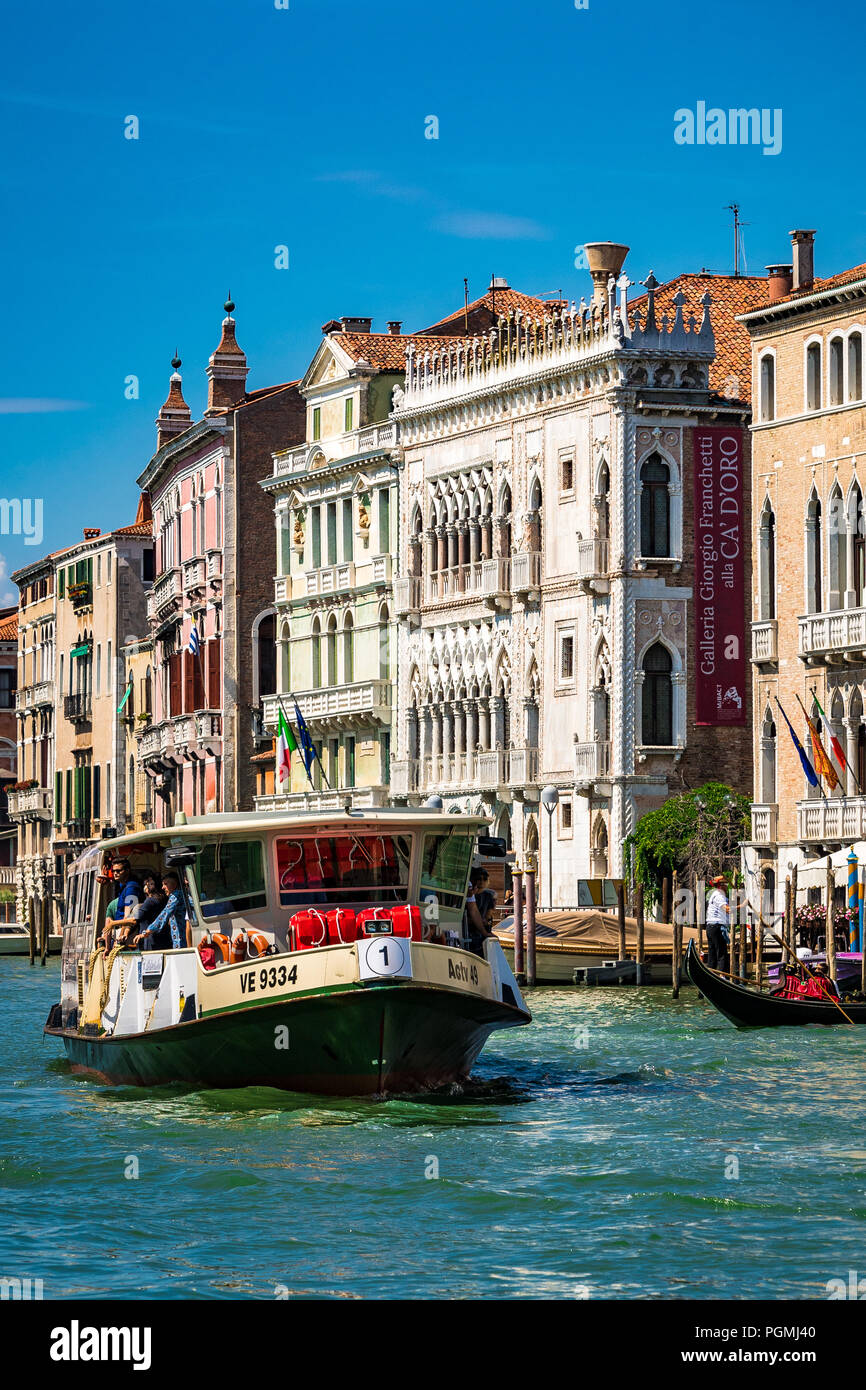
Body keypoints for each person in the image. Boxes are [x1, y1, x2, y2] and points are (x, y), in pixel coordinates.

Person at [134, 872, 190, 952]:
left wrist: (147, 931)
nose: (163, 887)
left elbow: (164, 914)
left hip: (181, 941)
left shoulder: (176, 896)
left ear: (175, 884)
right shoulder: (181, 894)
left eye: (166, 884)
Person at [464, 869, 494, 956]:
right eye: (478, 879)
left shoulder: (488, 896)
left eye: (484, 879)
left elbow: (488, 914)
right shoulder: (469, 891)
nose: (481, 882)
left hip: (480, 930)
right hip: (468, 930)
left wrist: (485, 923)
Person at [705, 875, 730, 974]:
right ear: (722, 885)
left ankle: (711, 974)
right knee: (722, 953)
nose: (727, 886)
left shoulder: (715, 894)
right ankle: (722, 976)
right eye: (726, 884)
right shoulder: (719, 896)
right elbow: (727, 909)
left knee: (713, 954)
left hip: (710, 927)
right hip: (716, 927)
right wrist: (742, 905)